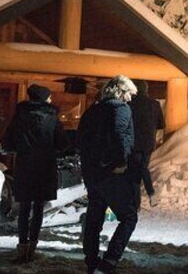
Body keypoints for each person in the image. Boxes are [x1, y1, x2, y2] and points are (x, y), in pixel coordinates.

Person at [2, 84, 69, 264]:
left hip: (24, 166)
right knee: (39, 208)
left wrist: (20, 148)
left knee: (24, 209)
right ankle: (32, 249)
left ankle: (22, 248)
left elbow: (7, 142)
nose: (50, 100)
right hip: (45, 167)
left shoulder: (19, 116)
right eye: (49, 97)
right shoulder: (53, 118)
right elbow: (62, 144)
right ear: (44, 98)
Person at [78, 75, 138, 274]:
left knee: (94, 218)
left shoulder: (92, 110)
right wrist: (121, 162)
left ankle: (91, 262)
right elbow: (119, 134)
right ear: (121, 91)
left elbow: (81, 139)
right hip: (111, 172)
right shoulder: (120, 109)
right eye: (129, 93)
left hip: (92, 173)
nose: (130, 98)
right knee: (129, 217)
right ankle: (109, 262)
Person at [129, 79, 165, 207]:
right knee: (143, 167)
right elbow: (161, 124)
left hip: (133, 143)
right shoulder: (154, 104)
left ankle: (137, 203)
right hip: (149, 143)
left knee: (134, 172)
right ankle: (150, 195)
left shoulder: (129, 104)